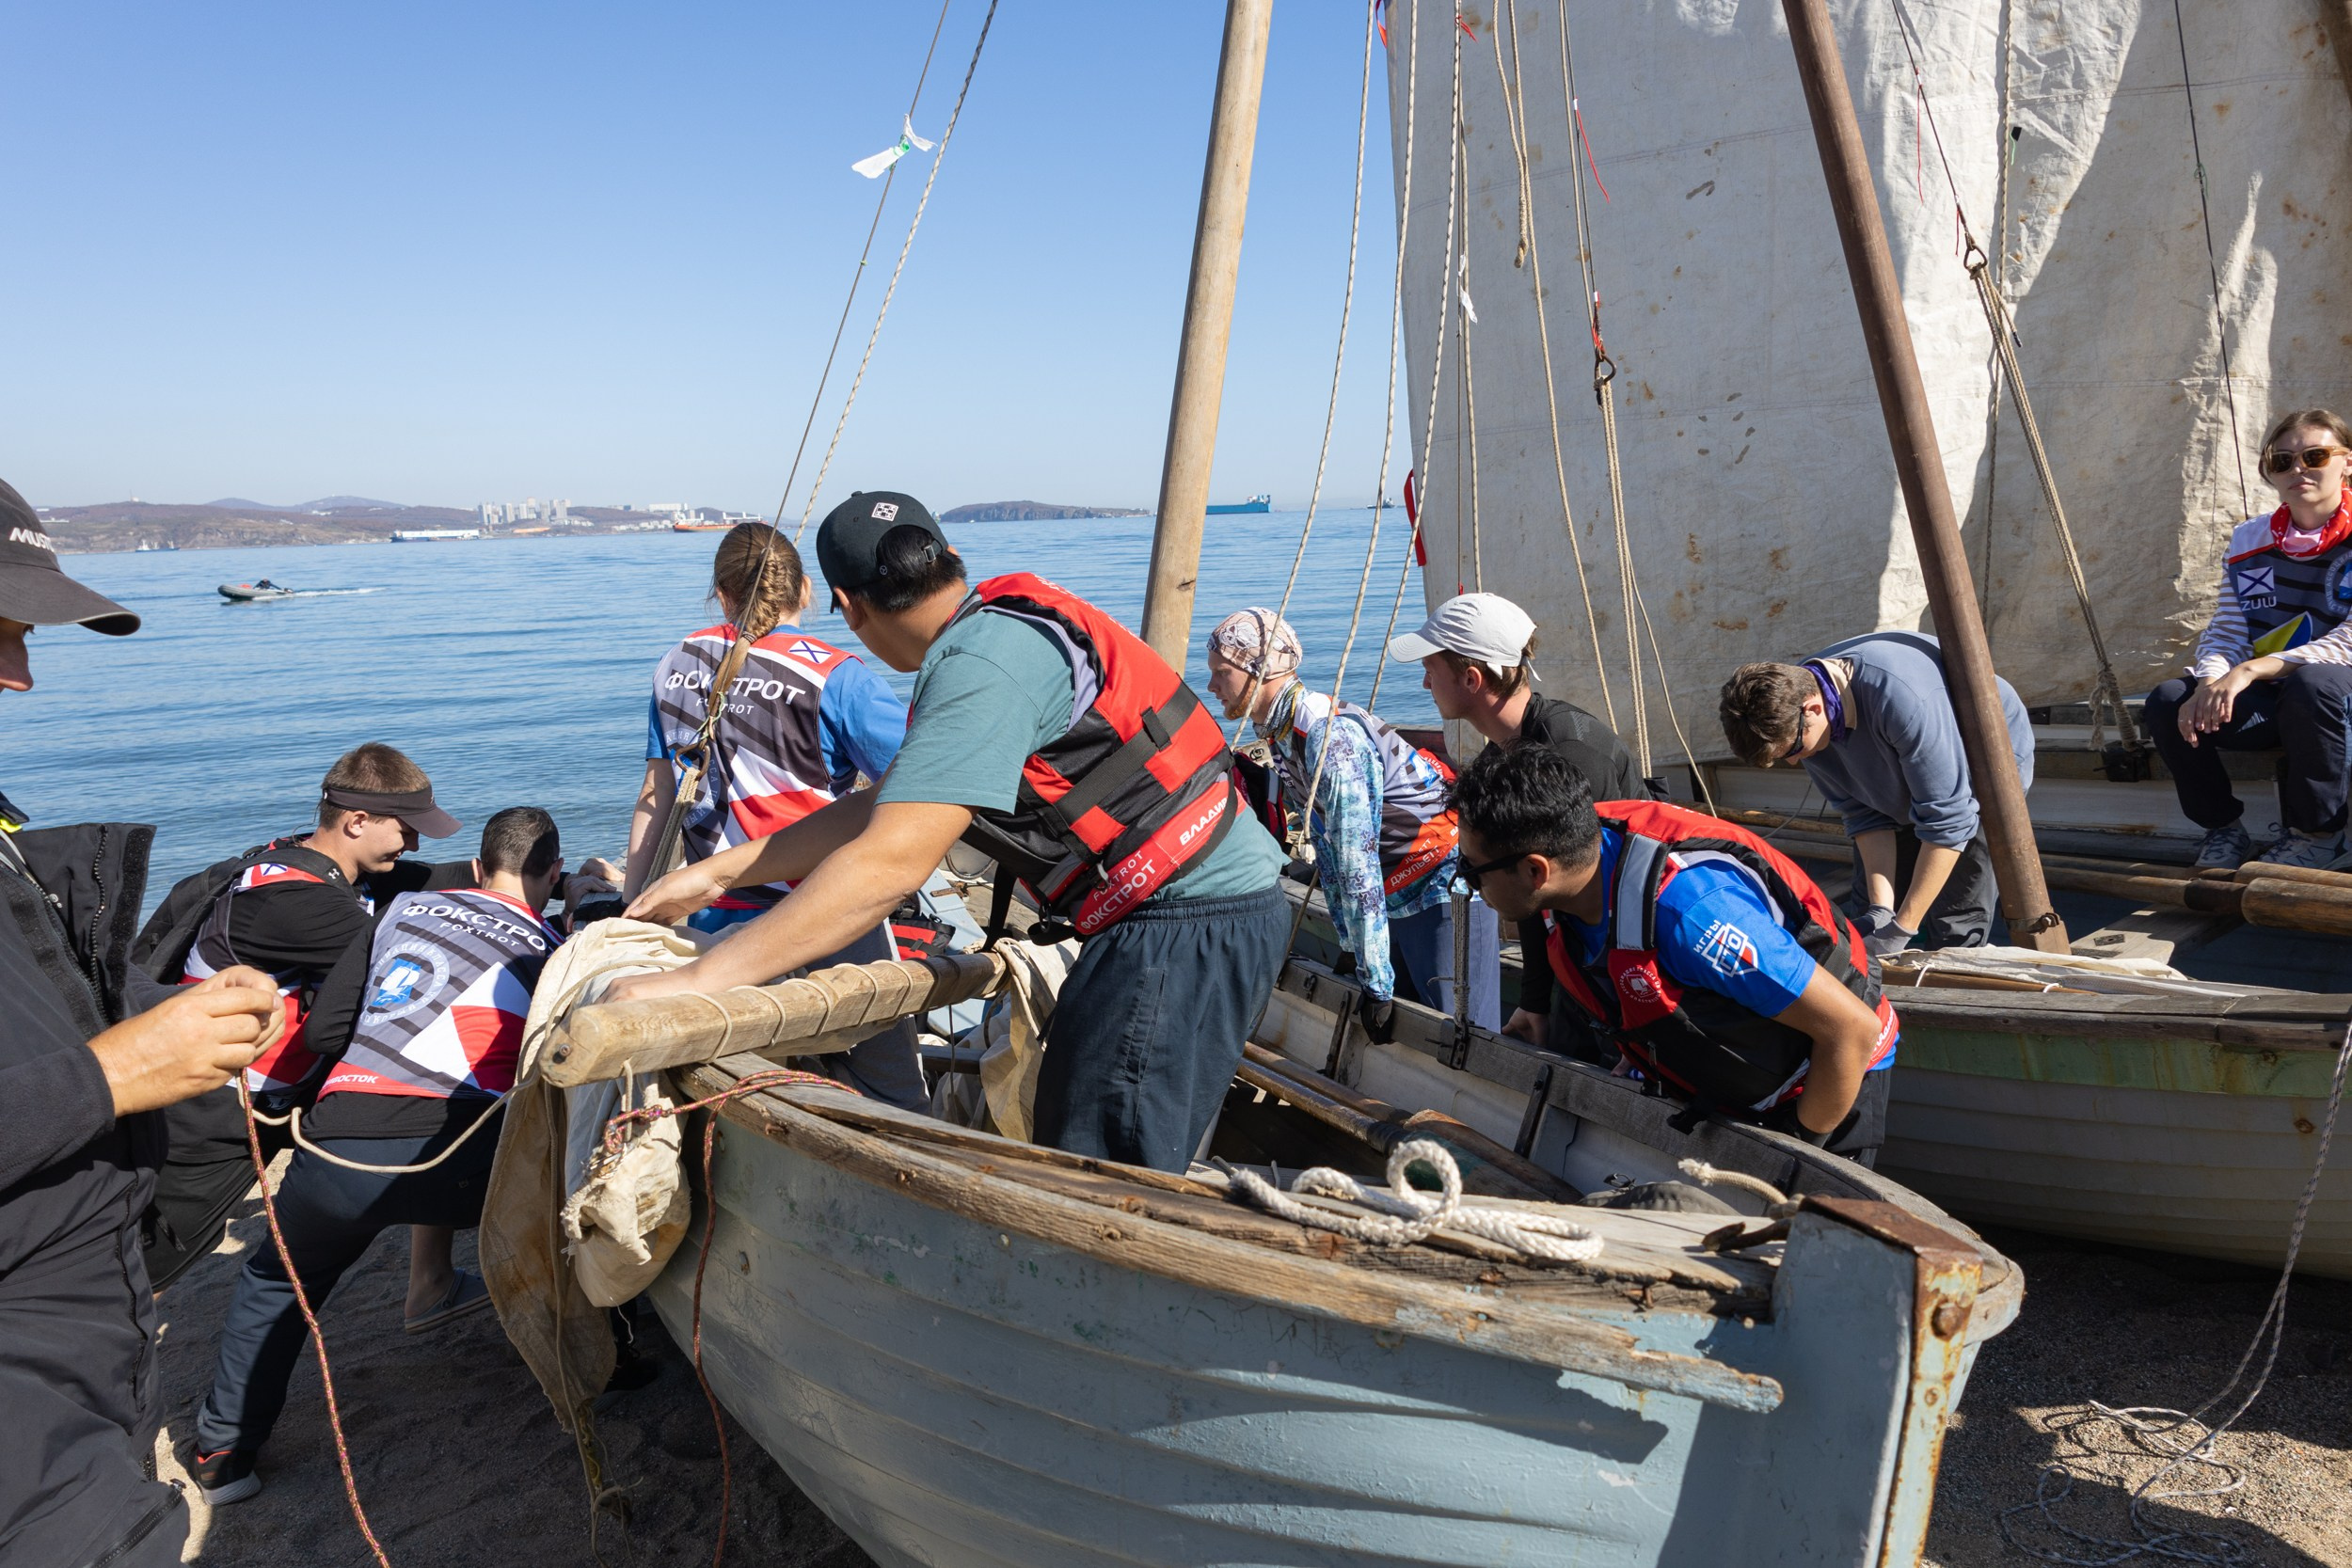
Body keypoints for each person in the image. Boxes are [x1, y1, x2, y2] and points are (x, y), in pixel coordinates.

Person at [621, 491, 1292, 1173]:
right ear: (952, 561)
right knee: (1081, 1131)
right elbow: (885, 802)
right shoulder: (997, 626)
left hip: (1187, 924)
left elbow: (888, 865)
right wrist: (718, 872)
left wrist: (698, 979)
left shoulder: (977, 670)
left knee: (1107, 1178)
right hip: (1201, 907)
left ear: (848, 607)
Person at [0, 483, 286, 1568]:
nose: (20, 674)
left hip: (97, 1387)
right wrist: (112, 1073)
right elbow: (83, 1076)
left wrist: (154, 1020)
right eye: (0, 631)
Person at [189, 808, 579, 1505]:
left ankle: (224, 1454)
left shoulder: (403, 908)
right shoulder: (558, 948)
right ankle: (609, 1372)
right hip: (465, 1167)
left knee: (278, 1281)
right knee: (571, 1217)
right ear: (553, 876)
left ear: (480, 868)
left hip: (344, 1148)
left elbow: (330, 1029)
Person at [139, 742, 470, 1315]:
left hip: (277, 1095)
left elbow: (444, 877)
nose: (414, 842)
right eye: (407, 828)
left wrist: (552, 882)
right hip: (214, 1111)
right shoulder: (295, 903)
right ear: (357, 821)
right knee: (148, 1264)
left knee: (436, 1105)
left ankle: (430, 1283)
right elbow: (414, 960)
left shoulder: (320, 863)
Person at [1452, 745, 1899, 1165]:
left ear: (1535, 871)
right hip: (1723, 1081)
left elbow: (1851, 1028)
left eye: (1470, 869)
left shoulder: (1694, 918)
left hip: (1825, 1084)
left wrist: (1794, 1152)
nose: (1465, 880)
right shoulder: (1576, 858)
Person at [623, 522, 934, 1108]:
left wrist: (635, 911)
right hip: (822, 917)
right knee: (892, 1096)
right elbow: (924, 776)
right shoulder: (835, 674)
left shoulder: (676, 662)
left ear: (721, 593)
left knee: (733, 1095)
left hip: (709, 924)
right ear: (807, 592)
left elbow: (655, 795)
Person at [1204, 607, 1497, 1034]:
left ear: (1261, 670)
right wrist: (1354, 947)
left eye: (1221, 673)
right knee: (1414, 1031)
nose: (1211, 686)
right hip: (1394, 893)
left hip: (1441, 888)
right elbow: (1327, 844)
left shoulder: (1329, 740)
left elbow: (1355, 865)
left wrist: (1375, 982)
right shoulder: (1284, 731)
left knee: (1462, 1033)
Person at [1389, 592, 1646, 1048]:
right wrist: (1534, 1000)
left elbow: (1601, 885)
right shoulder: (1506, 754)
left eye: (1431, 670)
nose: (1425, 684)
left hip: (1625, 961)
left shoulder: (1572, 756)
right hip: (1577, 953)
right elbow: (1526, 886)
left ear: (1471, 678)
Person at [1716, 631, 2034, 955]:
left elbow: (1949, 822)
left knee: (1955, 918)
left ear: (1812, 708)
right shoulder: (1791, 711)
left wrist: (1903, 927)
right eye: (1786, 757)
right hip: (1895, 756)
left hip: (1978, 771)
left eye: (1795, 749)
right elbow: (1863, 813)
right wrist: (1882, 910)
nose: (1796, 760)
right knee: (1867, 912)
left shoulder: (1902, 697)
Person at [2143, 408, 2352, 870]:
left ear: (2347, 462)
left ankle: (2320, 835)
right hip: (2282, 700)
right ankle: (2223, 830)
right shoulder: (2250, 540)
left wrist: (2251, 670)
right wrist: (2210, 683)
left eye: (2315, 455)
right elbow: (2231, 628)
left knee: (2313, 683)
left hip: (2333, 699)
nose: (2298, 469)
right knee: (2168, 701)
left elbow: (2349, 641)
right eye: (2282, 461)